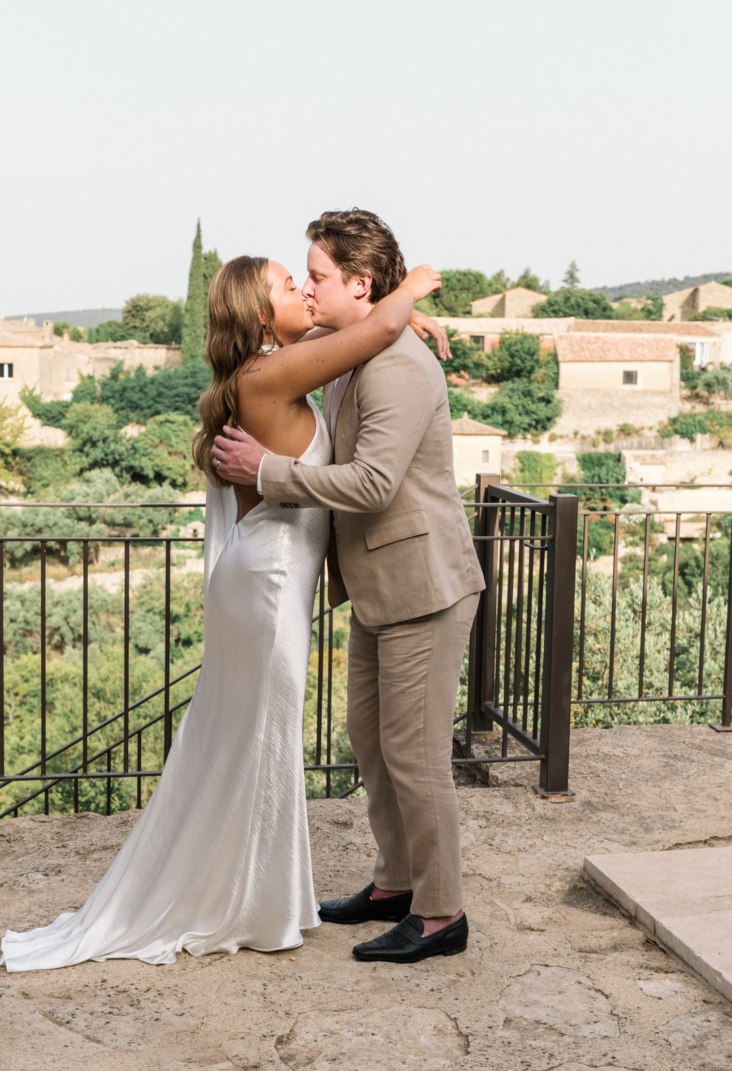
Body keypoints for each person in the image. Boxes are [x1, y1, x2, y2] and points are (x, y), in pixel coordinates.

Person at [0, 251, 444, 971]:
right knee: (262, 738)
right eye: (284, 282)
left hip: (269, 579)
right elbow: (367, 335)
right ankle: (252, 905)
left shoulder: (279, 365)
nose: (301, 286)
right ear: (260, 315)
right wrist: (412, 290)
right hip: (267, 583)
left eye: (304, 277)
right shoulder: (268, 374)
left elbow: (365, 336)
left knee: (253, 738)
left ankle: (252, 893)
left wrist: (393, 315)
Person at [211, 209, 486, 964]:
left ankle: (439, 914)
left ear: (358, 284)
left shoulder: (396, 367)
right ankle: (394, 882)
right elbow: (370, 324)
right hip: (378, 586)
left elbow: (369, 483)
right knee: (372, 738)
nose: (307, 284)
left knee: (416, 752)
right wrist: (409, 307)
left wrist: (263, 472)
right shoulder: (349, 347)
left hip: (423, 585)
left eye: (319, 275)